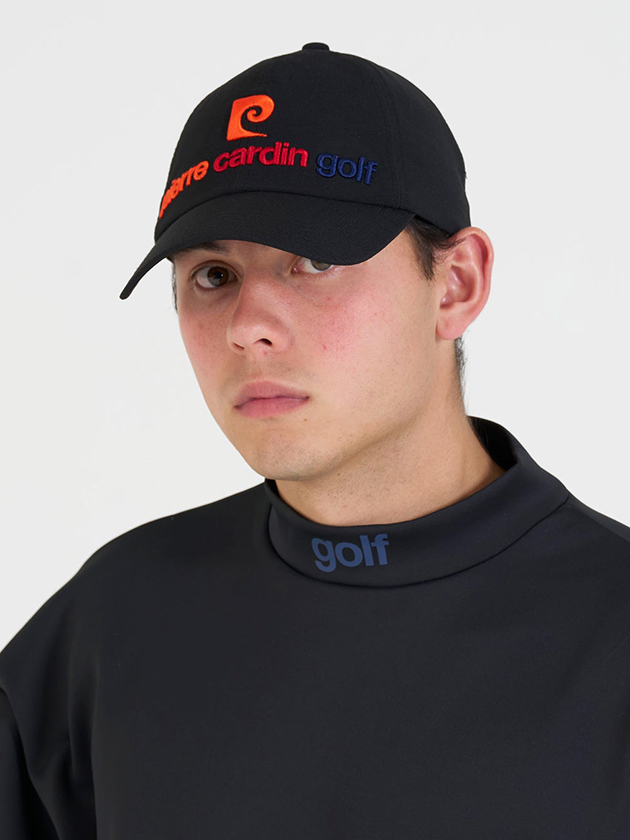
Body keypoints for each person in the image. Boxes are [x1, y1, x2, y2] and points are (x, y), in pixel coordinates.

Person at [1, 42, 629, 839]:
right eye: (213, 275)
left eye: (316, 258)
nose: (248, 326)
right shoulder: (107, 627)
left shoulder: (611, 633)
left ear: (456, 284)